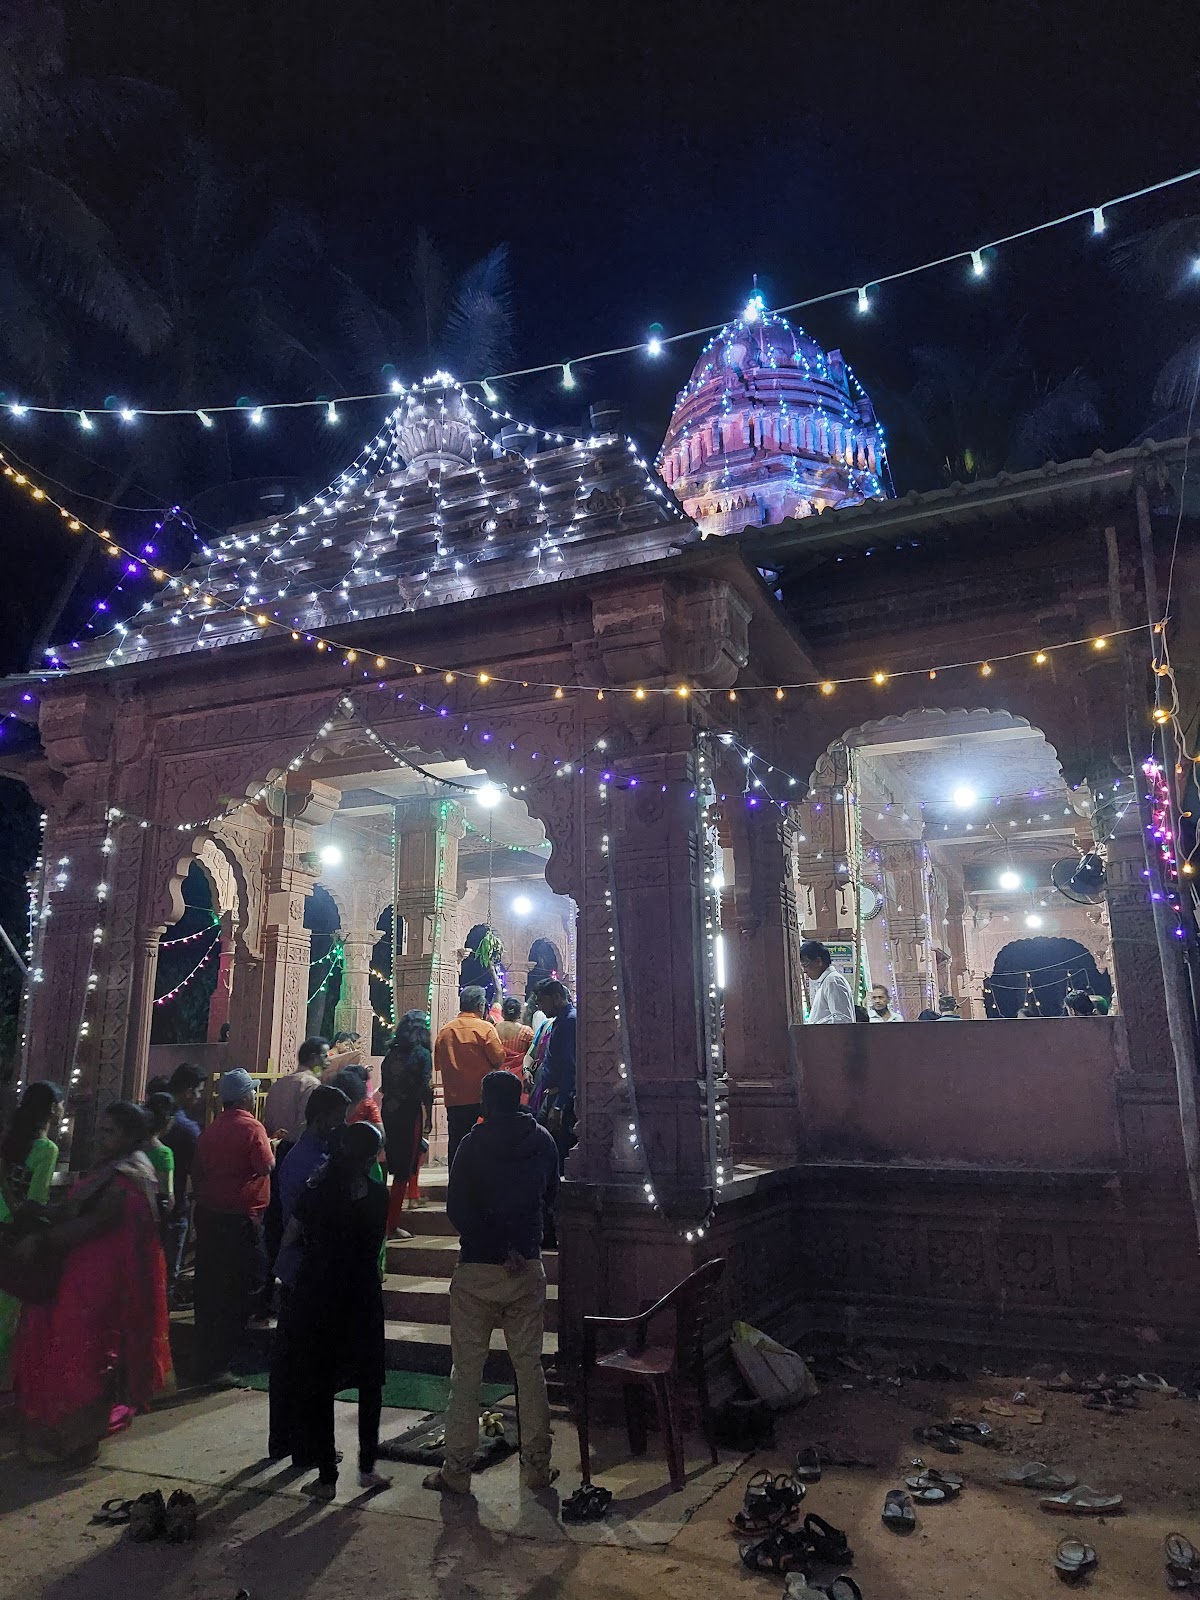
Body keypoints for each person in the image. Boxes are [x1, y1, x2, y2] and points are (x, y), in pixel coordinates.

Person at [12, 1101, 172, 1465]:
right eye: (101, 1130)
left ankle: (81, 1442)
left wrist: (42, 1239)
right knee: (69, 1351)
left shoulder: (129, 1174)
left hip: (101, 1282)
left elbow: (93, 1223)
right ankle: (66, 1436)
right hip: (82, 1275)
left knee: (86, 1358)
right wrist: (42, 1213)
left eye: (109, 1131)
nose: (101, 1137)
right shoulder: (112, 1168)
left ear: (129, 1136)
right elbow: (77, 1210)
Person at [425, 1070, 559, 1496]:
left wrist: (497, 1246)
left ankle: (457, 1470)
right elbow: (549, 1197)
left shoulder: (472, 1145)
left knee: (467, 1373)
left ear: (486, 1102)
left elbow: (459, 1209)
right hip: (526, 1266)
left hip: (478, 1268)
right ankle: (536, 1467)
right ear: (518, 1098)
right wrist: (519, 1245)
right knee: (529, 1369)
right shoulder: (542, 1141)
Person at [282, 1121, 390, 1501]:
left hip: (321, 1292)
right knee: (369, 1381)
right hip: (362, 1293)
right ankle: (367, 1466)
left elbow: (291, 1236)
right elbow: (375, 1240)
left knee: (321, 1381)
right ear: (371, 1158)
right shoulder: (378, 1195)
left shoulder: (318, 1191)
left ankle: (327, 1475)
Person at [268, 1084, 349, 1463]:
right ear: (321, 1119)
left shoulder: (312, 1153)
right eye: (337, 1118)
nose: (341, 1125)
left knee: (294, 1357)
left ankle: (286, 1440)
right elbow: (307, 1218)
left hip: (303, 1267)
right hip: (305, 1268)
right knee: (307, 1360)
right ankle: (305, 1444)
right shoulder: (309, 1160)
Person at [191, 1068, 274, 1384]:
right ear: (243, 1098)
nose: (254, 1095)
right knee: (240, 1287)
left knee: (211, 1287)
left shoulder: (210, 1130)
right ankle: (223, 1361)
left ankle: (206, 1358)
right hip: (241, 1218)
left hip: (211, 1215)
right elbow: (265, 1165)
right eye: (251, 1091)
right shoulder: (252, 1127)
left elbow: (199, 1171)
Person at [0, 1081, 61, 1390]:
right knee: (7, 1310)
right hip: (12, 1231)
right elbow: (35, 1200)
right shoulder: (47, 1149)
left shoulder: (9, 1138)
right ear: (52, 1108)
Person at [434, 985, 506, 1169]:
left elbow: (438, 1065)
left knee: (457, 1144)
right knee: (483, 1146)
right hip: (481, 1100)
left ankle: (456, 1182)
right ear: (480, 1005)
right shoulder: (485, 1028)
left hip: (454, 1101)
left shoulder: (445, 1032)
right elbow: (498, 1059)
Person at [380, 1010, 434, 1235]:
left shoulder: (390, 1054)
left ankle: (379, 1221)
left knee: (385, 1166)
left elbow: (385, 1086)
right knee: (404, 1168)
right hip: (409, 1113)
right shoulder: (422, 1054)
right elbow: (424, 1088)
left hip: (388, 1112)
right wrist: (429, 1116)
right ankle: (391, 1225)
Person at [162, 1063, 205, 1302]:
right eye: (198, 1091)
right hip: (174, 1206)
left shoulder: (148, 1116)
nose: (199, 1097)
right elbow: (199, 1168)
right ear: (188, 1092)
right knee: (167, 1276)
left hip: (142, 1207)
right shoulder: (186, 1128)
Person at [530, 979, 577, 1167]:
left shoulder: (570, 1021)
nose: (540, 1008)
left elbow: (570, 1067)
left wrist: (558, 1106)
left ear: (557, 998)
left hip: (561, 1096)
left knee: (554, 1151)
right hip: (551, 1093)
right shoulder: (560, 1021)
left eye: (542, 1001)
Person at [264, 1039, 327, 1141]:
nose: (328, 1061)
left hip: (273, 1143)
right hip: (295, 1145)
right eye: (325, 1056)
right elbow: (305, 1123)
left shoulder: (278, 1084)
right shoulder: (312, 1084)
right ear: (314, 1058)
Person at [798, 940, 856, 1024]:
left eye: (805, 965)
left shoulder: (832, 981)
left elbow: (843, 1019)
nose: (804, 971)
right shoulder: (826, 981)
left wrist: (814, 1026)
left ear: (818, 962)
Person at [143, 1091, 177, 1220]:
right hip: (149, 1218)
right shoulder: (163, 1153)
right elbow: (167, 1198)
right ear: (169, 1120)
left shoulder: (131, 1144)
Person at [458, 924, 504, 1010]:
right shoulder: (492, 1018)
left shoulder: (453, 1019)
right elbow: (499, 992)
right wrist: (492, 970)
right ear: (481, 1006)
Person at [496, 996, 534, 1098]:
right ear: (519, 1014)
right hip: (518, 1080)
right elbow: (533, 1055)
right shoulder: (527, 1032)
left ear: (502, 1012)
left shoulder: (492, 1029)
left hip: (496, 1078)